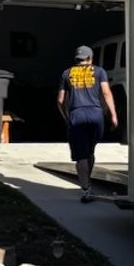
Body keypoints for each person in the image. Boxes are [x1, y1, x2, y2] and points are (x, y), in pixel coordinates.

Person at [57, 44, 117, 201]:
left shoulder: (66, 73)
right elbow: (106, 93)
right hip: (96, 115)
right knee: (90, 151)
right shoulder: (99, 71)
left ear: (77, 58)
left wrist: (66, 116)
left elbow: (60, 100)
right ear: (90, 58)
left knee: (81, 155)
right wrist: (113, 115)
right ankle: (87, 181)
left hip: (77, 115)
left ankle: (85, 189)